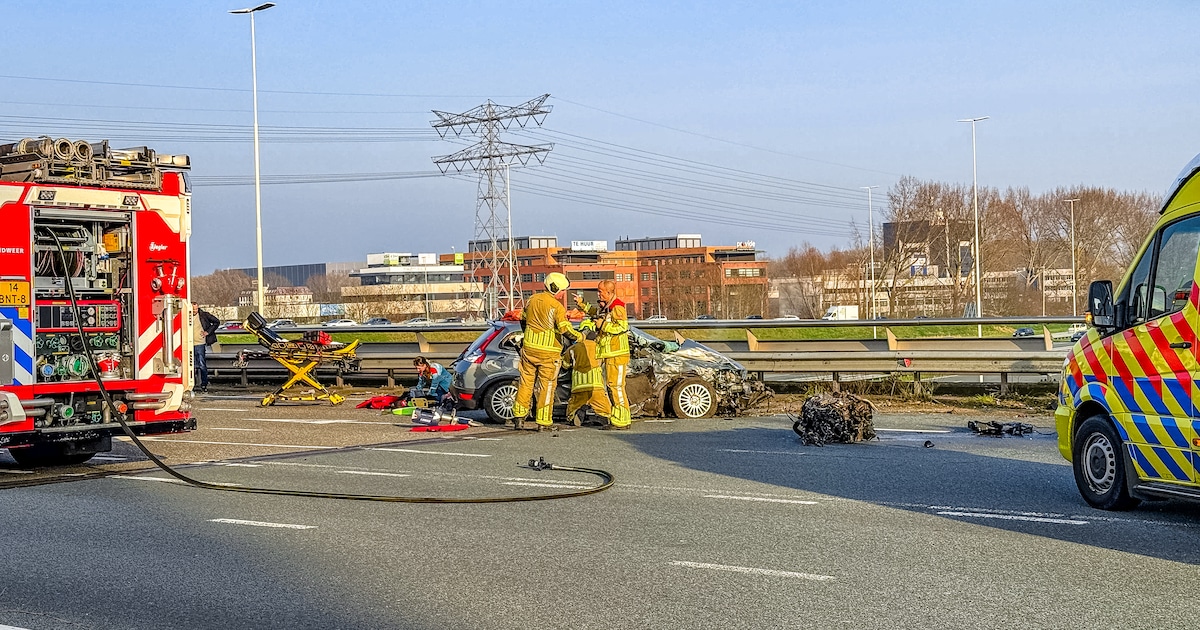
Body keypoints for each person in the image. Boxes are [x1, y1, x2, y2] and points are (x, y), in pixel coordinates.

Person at [513, 272, 582, 431]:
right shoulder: (557, 306)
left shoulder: (532, 299)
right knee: (547, 386)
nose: (564, 293)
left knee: (525, 383)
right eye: (563, 290)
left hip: (529, 348)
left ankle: (519, 418)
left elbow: (522, 320)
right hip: (548, 352)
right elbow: (565, 330)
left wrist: (528, 336)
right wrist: (580, 337)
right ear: (556, 289)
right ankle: (543, 422)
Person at [575, 279, 631, 430]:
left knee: (617, 387)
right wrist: (581, 304)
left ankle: (622, 420)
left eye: (600, 291)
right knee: (613, 386)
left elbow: (622, 327)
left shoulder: (617, 307)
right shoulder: (606, 307)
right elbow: (594, 312)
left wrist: (603, 325)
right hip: (610, 353)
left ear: (609, 292)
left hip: (617, 353)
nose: (598, 294)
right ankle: (619, 418)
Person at [565, 320, 611, 426]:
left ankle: (575, 414)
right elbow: (605, 362)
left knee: (573, 407)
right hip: (596, 386)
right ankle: (601, 416)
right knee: (604, 408)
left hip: (578, 386)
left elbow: (565, 365)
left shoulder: (573, 348)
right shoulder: (599, 347)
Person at [192, 304, 219, 393]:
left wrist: (208, 332)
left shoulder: (203, 315)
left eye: (196, 309)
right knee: (192, 366)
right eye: (193, 309)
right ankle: (193, 384)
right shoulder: (186, 316)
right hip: (189, 344)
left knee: (201, 364)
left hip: (200, 343)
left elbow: (216, 322)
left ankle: (204, 384)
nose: (194, 311)